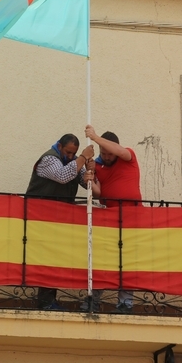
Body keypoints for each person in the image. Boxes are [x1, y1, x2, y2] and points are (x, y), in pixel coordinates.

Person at [26, 134, 95, 310]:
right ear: (59, 146)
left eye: (74, 153)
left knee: (53, 258)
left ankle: (49, 300)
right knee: (44, 258)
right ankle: (45, 301)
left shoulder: (71, 161)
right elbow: (63, 175)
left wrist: (90, 174)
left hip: (57, 219)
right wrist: (83, 157)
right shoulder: (49, 159)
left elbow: (82, 180)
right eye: (68, 152)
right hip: (39, 218)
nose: (71, 156)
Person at [83, 125, 142, 313]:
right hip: (109, 218)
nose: (107, 156)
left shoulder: (128, 156)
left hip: (132, 218)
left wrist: (95, 137)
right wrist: (90, 181)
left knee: (128, 262)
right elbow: (101, 193)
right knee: (104, 260)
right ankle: (94, 300)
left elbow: (120, 151)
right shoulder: (99, 165)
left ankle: (125, 304)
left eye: (109, 153)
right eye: (104, 153)